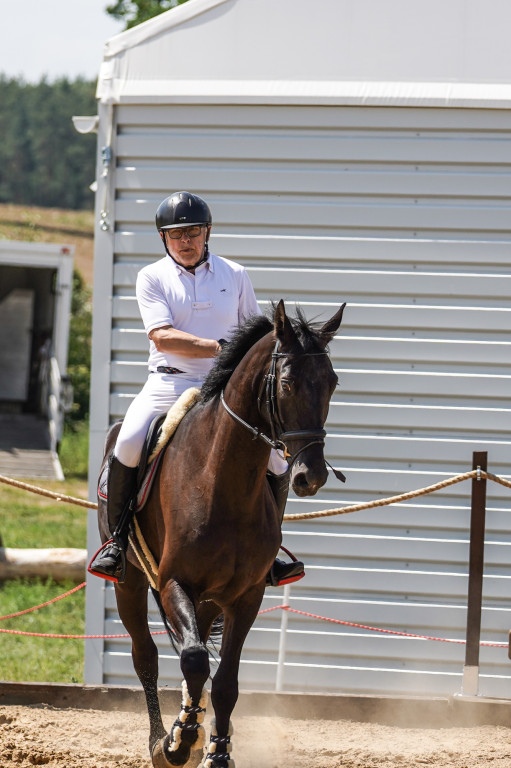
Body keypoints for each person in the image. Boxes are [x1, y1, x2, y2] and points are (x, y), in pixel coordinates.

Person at [89, 191, 304, 586]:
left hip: (224, 388)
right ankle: (116, 543)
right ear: (164, 239)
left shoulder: (235, 275)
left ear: (207, 233)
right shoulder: (152, 277)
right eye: (176, 234)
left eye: (192, 232)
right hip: (171, 382)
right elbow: (162, 336)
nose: (185, 241)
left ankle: (272, 550)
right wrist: (218, 349)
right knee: (129, 442)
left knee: (277, 459)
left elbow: (256, 335)